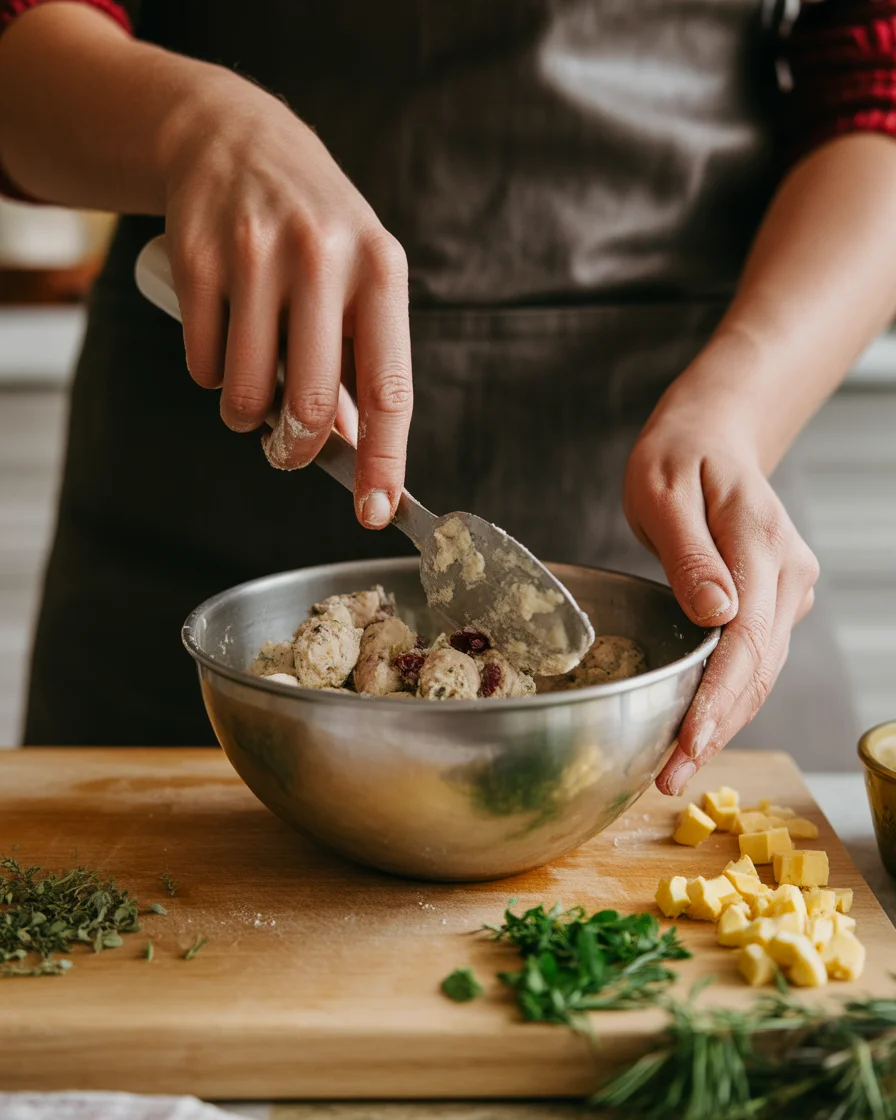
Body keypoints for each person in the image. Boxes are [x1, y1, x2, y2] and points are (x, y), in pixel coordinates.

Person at [1, 0, 893, 794]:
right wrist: (197, 126)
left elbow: (877, 83)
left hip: (681, 436)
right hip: (202, 459)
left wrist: (740, 406)